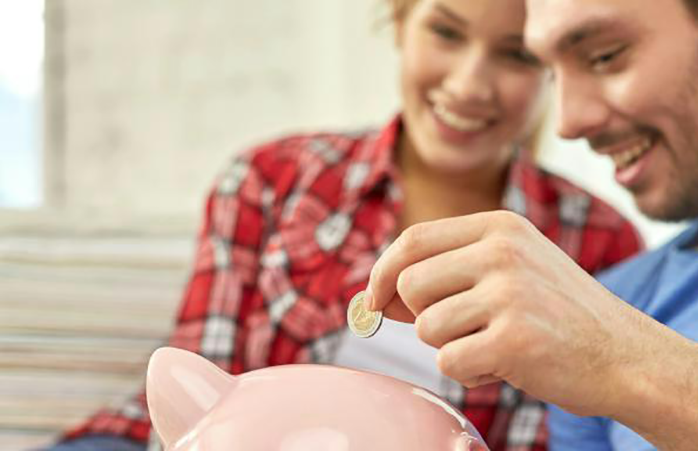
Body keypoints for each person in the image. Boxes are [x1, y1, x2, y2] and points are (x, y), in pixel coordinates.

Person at [46, 0, 641, 450]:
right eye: (445, 31)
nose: (468, 84)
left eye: (515, 55)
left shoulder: (596, 242)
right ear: (400, 21)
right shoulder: (271, 179)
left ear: (552, 70)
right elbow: (199, 400)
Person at [364, 0, 698, 449]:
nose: (568, 121)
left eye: (604, 56)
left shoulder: (608, 339)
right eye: (550, 69)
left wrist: (630, 365)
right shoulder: (608, 303)